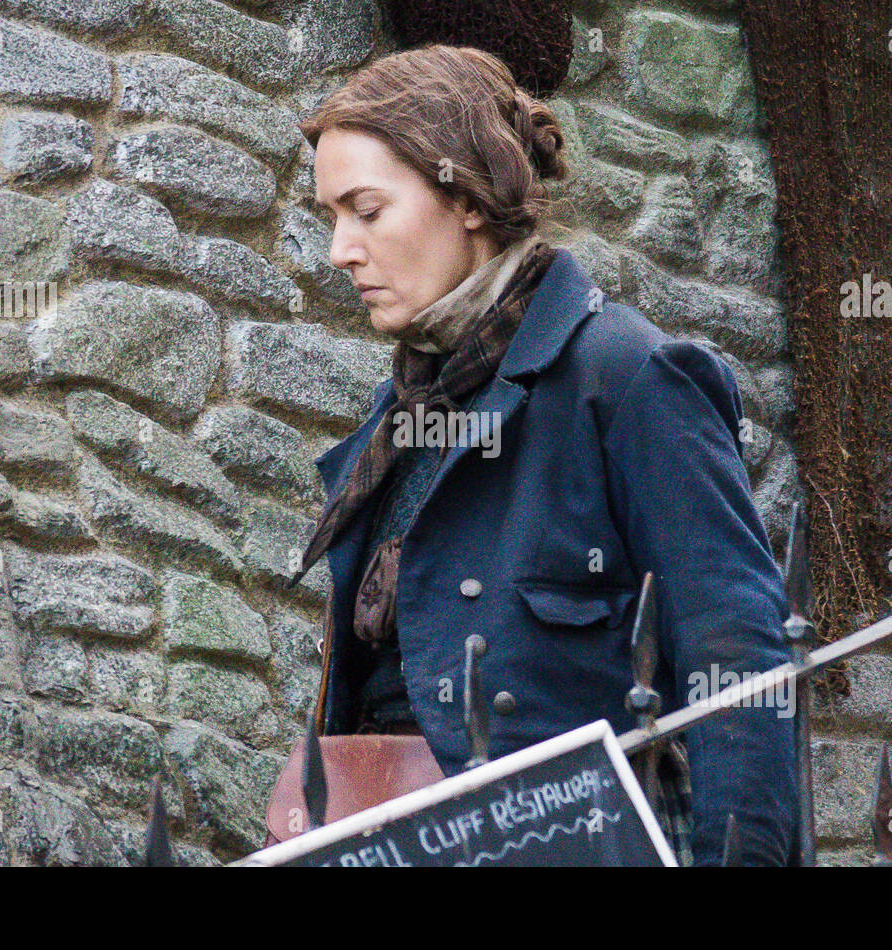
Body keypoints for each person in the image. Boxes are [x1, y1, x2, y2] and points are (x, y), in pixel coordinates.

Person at [285, 44, 796, 866]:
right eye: (331, 217)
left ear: (468, 198)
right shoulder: (401, 417)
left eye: (368, 210)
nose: (341, 250)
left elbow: (737, 650)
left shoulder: (627, 374)